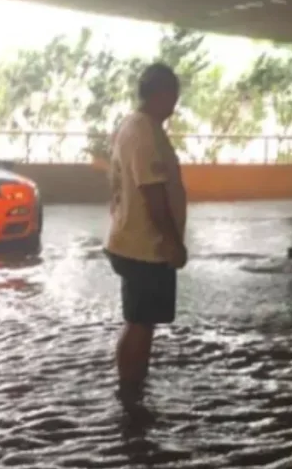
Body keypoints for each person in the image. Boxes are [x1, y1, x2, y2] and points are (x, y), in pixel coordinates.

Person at [104, 62, 188, 406]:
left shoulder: (141, 126)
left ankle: (133, 390)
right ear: (161, 93)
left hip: (139, 242)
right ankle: (129, 393)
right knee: (140, 321)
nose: (175, 105)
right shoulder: (142, 130)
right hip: (144, 246)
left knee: (143, 320)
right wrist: (171, 240)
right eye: (173, 97)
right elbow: (151, 190)